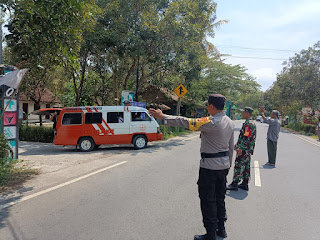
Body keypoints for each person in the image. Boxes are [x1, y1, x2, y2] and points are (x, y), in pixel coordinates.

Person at [149, 94, 234, 240]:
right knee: (220, 198)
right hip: (223, 167)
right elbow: (231, 147)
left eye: (207, 105)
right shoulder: (229, 121)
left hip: (210, 168)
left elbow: (187, 122)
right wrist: (228, 166)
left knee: (208, 200)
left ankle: (211, 234)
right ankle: (221, 229)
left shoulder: (211, 122)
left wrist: (163, 116)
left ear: (212, 107)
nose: (207, 108)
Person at [227, 107, 256, 191]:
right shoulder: (251, 122)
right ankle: (245, 183)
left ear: (247, 113)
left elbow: (246, 137)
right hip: (247, 149)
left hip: (244, 149)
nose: (242, 114)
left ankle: (235, 183)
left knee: (239, 164)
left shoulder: (248, 124)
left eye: (243, 112)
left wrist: (240, 148)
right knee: (246, 166)